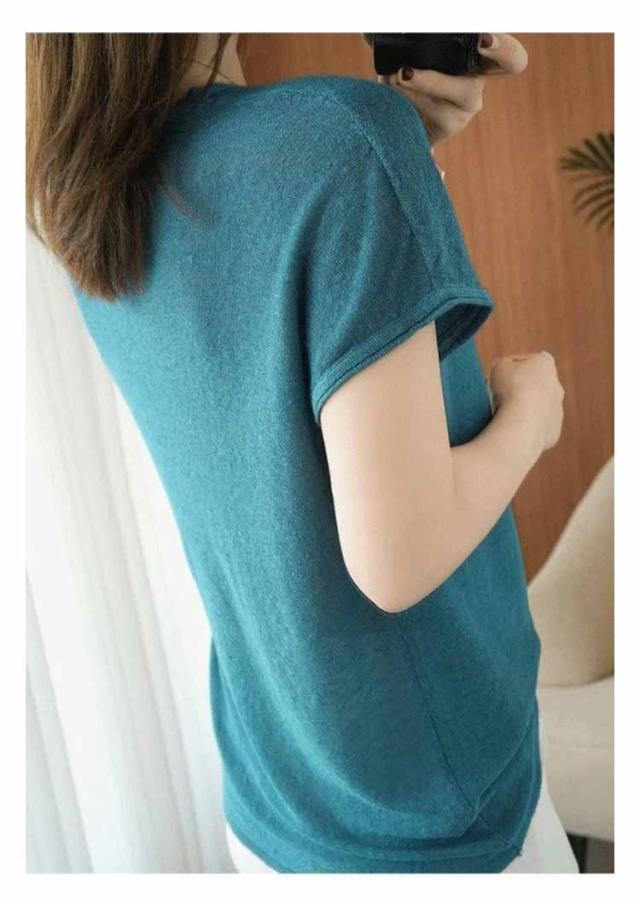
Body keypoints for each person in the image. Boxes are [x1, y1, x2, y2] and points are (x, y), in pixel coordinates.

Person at [26, 33, 577, 874]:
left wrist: (399, 165)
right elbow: (401, 553)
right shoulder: (339, 139)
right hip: (433, 814)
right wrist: (531, 414)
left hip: (277, 794)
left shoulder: (87, 185)